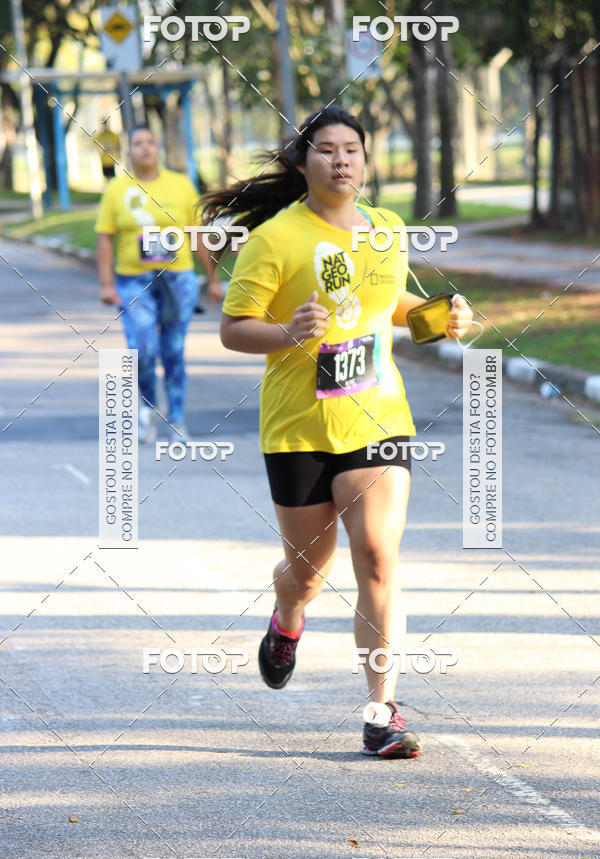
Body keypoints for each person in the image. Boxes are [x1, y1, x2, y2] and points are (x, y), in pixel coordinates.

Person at [205, 105, 472, 759]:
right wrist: (287, 333)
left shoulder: (385, 230)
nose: (342, 159)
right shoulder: (274, 239)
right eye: (326, 149)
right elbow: (235, 326)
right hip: (299, 429)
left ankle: (382, 714)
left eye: (353, 148)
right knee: (307, 572)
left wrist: (446, 317)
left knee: (378, 556)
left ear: (366, 160)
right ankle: (287, 618)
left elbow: (389, 308)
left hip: (378, 417)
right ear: (303, 163)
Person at [95, 124, 224, 443]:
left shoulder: (181, 186)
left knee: (173, 351)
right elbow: (105, 238)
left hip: (177, 279)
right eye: (138, 143)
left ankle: (177, 418)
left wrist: (212, 279)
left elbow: (198, 236)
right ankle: (147, 409)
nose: (145, 148)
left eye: (151, 142)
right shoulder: (117, 190)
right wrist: (106, 284)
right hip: (133, 281)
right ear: (129, 151)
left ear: (158, 148)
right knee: (142, 349)